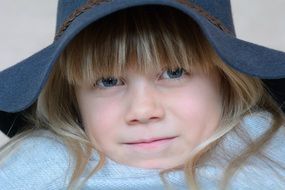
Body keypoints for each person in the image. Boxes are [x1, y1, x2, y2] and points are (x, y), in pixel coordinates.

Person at [0, 1, 285, 189]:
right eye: (108, 80)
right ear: (73, 98)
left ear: (225, 79)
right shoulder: (32, 174)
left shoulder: (274, 168)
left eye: (174, 72)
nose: (143, 110)